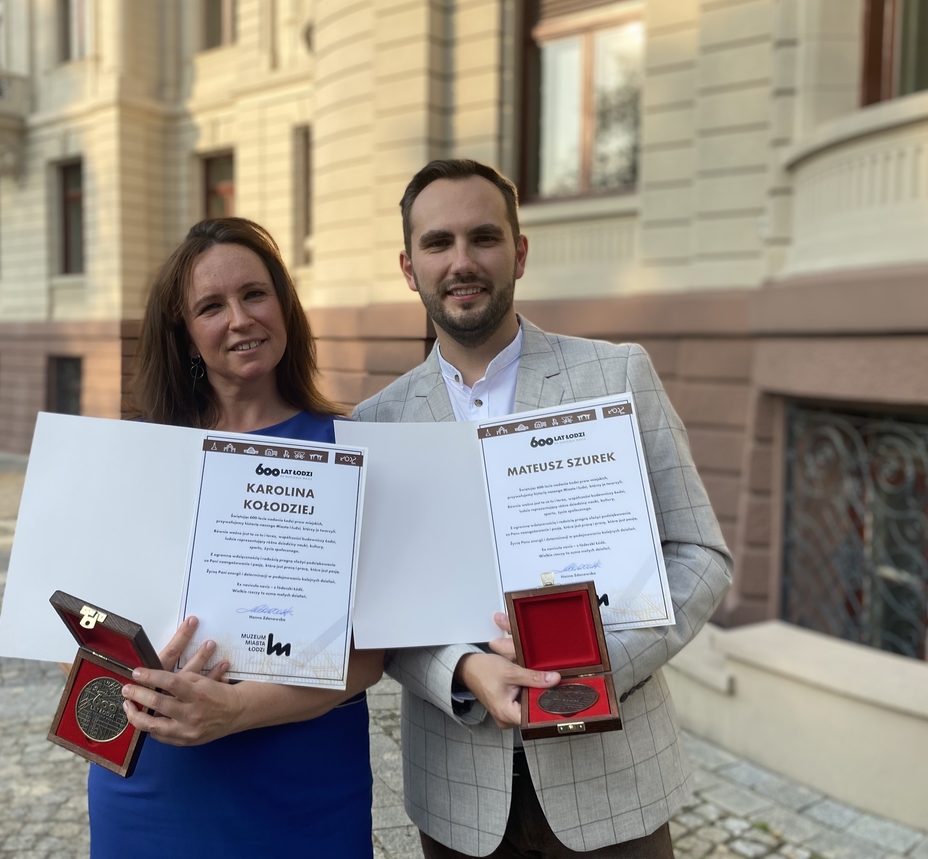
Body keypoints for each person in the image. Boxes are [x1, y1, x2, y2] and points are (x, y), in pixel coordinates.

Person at [353, 159, 733, 859]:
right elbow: (381, 609)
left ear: (519, 253)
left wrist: (595, 667)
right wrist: (461, 671)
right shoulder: (378, 423)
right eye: (438, 243)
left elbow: (700, 555)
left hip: (615, 785)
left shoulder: (616, 375)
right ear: (409, 267)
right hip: (460, 796)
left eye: (484, 237)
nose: (462, 262)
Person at [90, 217, 383, 858]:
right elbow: (69, 623)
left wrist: (235, 711)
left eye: (255, 294)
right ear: (187, 336)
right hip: (153, 789)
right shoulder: (135, 454)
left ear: (284, 306)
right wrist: (129, 678)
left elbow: (371, 655)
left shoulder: (349, 449)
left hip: (302, 792)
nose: (241, 319)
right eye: (211, 307)